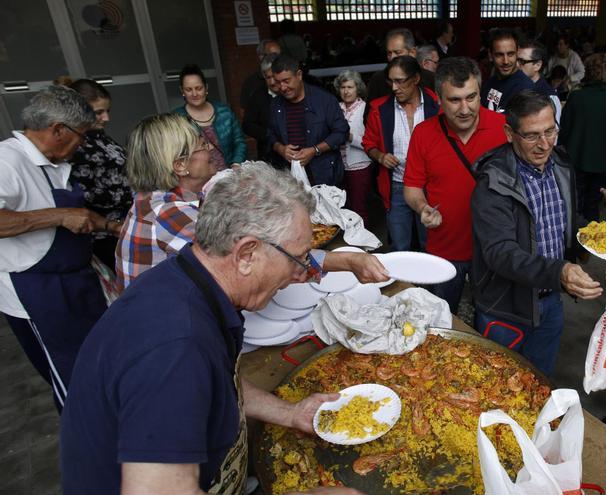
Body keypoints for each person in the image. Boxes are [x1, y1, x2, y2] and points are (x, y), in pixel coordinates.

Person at [61, 163, 381, 495]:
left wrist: (291, 413)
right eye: (297, 260)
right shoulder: (176, 346)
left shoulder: (189, 279)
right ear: (246, 254)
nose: (300, 274)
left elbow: (215, 381)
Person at [471, 90, 603, 376]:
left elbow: (564, 220)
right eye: (532, 135)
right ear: (509, 133)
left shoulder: (562, 165)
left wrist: (600, 232)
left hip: (551, 301)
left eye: (550, 131)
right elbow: (500, 253)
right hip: (506, 308)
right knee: (500, 387)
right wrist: (559, 272)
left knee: (539, 382)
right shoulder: (493, 183)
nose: (544, 144)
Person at [0, 86, 112, 411]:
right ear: (58, 130)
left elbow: (79, 217)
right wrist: (60, 215)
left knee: (98, 364)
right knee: (74, 379)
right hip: (37, 292)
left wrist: (114, 226)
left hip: (75, 281)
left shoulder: (50, 162)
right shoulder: (8, 160)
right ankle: (91, 449)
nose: (84, 144)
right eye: (82, 135)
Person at [402, 57, 507, 313]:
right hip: (444, 247)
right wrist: (422, 207)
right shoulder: (424, 133)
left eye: (471, 97)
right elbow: (412, 188)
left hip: (493, 247)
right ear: (438, 98)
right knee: (441, 317)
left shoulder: (503, 128)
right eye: (454, 100)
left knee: (491, 319)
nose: (465, 108)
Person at [116, 113, 218, 288]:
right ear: (180, 165)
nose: (211, 148)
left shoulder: (151, 197)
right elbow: (235, 263)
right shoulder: (168, 212)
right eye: (203, 145)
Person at [362, 56, 439, 252]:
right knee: (399, 245)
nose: (394, 88)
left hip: (430, 187)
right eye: (391, 81)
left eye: (400, 81)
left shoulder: (437, 104)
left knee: (430, 243)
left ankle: (430, 283)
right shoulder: (380, 109)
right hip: (397, 185)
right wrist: (380, 156)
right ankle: (402, 283)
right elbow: (369, 143)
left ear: (416, 79)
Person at [66, 79, 132, 270]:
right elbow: (85, 194)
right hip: (105, 234)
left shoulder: (99, 136)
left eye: (107, 111)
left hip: (124, 223)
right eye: (98, 113)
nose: (106, 118)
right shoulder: (75, 146)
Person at [559, 53, 606, 223]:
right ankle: (590, 242)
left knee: (574, 202)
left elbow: (564, 130)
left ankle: (573, 240)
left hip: (578, 159)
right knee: (593, 203)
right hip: (605, 162)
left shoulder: (576, 97)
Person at [269, 55, 349, 187]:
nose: (282, 87)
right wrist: (281, 148)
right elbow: (270, 134)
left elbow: (342, 132)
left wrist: (315, 150)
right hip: (291, 180)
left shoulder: (324, 100)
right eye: (278, 82)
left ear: (299, 75)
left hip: (324, 176)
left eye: (286, 81)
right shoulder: (276, 104)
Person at [172, 64, 247, 169]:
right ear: (182, 91)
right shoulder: (177, 119)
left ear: (206, 87)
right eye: (188, 89)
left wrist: (236, 164)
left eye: (198, 88)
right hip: (199, 179)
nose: (194, 93)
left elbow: (239, 141)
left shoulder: (224, 111)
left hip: (230, 175)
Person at [334, 70, 372, 223]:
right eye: (343, 87)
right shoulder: (335, 108)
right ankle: (349, 240)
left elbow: (370, 142)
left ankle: (363, 243)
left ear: (358, 88)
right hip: (338, 165)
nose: (346, 91)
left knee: (358, 207)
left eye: (350, 87)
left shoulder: (365, 109)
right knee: (343, 206)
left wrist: (348, 136)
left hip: (359, 165)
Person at [366, 29, 436, 103]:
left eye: (398, 52)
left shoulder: (430, 78)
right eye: (389, 53)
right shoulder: (378, 79)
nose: (392, 57)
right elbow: (370, 112)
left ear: (413, 52)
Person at [482, 28, 535, 113]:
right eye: (499, 55)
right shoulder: (489, 83)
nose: (506, 61)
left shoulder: (525, 88)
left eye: (510, 54)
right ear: (490, 55)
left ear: (517, 53)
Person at [242, 53, 280, 164]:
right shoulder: (258, 95)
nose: (272, 82)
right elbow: (247, 125)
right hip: (268, 155)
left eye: (274, 76)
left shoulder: (291, 92)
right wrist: (269, 136)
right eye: (268, 77)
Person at [517, 40, 561, 123]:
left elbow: (552, 133)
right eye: (516, 60)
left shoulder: (548, 96)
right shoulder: (514, 86)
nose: (516, 65)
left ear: (537, 65)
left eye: (521, 61)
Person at [239, 39, 282, 108]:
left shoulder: (286, 78)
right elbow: (244, 112)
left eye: (279, 55)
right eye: (273, 55)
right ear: (261, 57)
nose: (278, 59)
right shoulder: (251, 83)